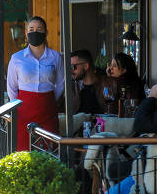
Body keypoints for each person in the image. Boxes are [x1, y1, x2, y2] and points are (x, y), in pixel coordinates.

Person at [6, 16, 64, 151]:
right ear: (26, 33)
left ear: (46, 32)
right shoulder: (16, 58)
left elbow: (61, 84)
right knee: (23, 151)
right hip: (23, 112)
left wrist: (48, 100)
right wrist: (18, 107)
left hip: (48, 110)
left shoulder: (55, 57)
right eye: (31, 29)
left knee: (50, 150)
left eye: (39, 29)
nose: (35, 32)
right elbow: (11, 88)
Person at [70, 49, 112, 114]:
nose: (71, 71)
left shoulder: (108, 84)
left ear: (86, 66)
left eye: (73, 67)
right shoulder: (73, 88)